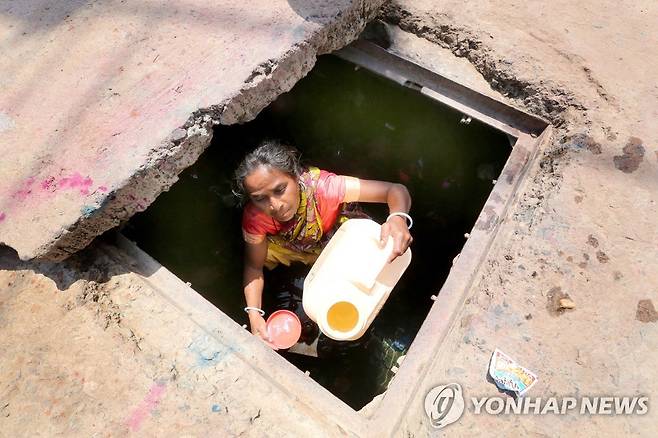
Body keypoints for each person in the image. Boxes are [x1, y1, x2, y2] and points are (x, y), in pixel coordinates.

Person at [233, 140, 413, 348]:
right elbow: (254, 266)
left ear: (295, 175)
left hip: (334, 236)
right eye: (259, 198)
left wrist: (398, 218)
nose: (275, 205)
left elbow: (395, 190)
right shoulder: (256, 218)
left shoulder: (325, 189)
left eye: (280, 189)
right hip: (294, 248)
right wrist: (254, 314)